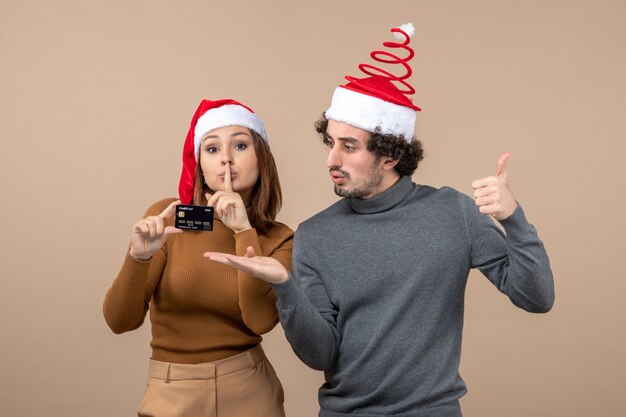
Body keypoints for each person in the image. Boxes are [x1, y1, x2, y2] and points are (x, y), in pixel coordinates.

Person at [205, 23, 555, 417]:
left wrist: (513, 219)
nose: (331, 160)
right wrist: (286, 288)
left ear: (390, 157)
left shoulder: (452, 213)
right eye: (331, 142)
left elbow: (536, 297)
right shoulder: (316, 235)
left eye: (348, 146)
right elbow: (321, 354)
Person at [103, 99, 293, 417]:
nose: (227, 160)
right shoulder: (169, 219)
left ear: (261, 157)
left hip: (249, 390)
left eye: (241, 145)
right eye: (213, 149)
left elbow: (260, 320)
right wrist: (139, 256)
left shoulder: (280, 238)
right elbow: (119, 321)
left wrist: (243, 231)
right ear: (199, 163)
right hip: (172, 391)